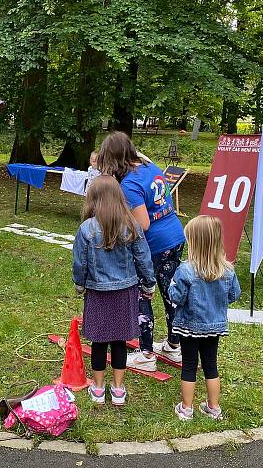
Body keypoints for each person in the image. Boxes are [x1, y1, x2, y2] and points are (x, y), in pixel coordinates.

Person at [97, 131, 186, 371]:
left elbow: (141, 225)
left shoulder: (129, 184)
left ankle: (146, 354)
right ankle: (174, 345)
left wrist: (116, 235)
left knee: (142, 294)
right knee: (171, 294)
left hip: (155, 246)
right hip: (175, 237)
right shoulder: (150, 167)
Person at [72, 175, 156, 406]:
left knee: (99, 341)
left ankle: (98, 389)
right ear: (119, 197)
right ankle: (118, 389)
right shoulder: (131, 225)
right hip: (125, 292)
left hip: (98, 293)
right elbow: (144, 258)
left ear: (93, 199)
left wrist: (79, 284)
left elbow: (80, 263)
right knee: (119, 341)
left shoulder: (86, 229)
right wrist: (149, 284)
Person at [169, 215, 241, 421]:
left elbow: (176, 297)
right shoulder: (227, 270)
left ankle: (186, 408)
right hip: (214, 326)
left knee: (189, 365)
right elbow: (234, 295)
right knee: (211, 365)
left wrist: (171, 285)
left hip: (189, 326)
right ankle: (213, 407)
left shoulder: (186, 270)